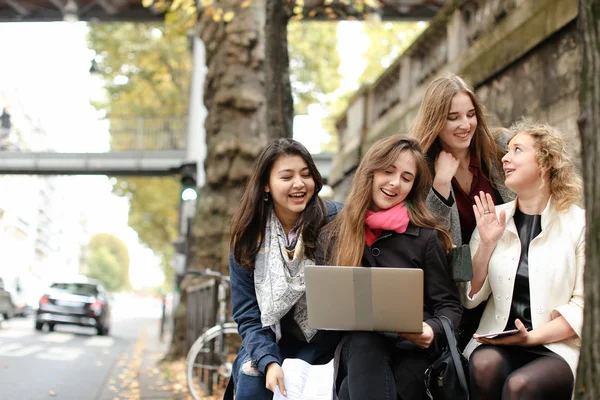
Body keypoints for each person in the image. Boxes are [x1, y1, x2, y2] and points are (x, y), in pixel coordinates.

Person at [316, 135, 463, 400]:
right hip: (358, 351)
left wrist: (432, 330)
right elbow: (325, 309)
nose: (395, 184)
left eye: (406, 178)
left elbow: (450, 306)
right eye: (388, 171)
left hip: (413, 354)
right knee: (363, 342)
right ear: (370, 172)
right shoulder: (333, 235)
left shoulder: (426, 237)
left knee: (354, 390)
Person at [461, 120, 584, 399]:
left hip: (556, 346)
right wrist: (487, 243)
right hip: (497, 339)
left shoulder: (580, 224)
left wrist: (530, 337)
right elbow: (470, 297)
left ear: (547, 161)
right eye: (507, 150)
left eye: (517, 150)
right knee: (483, 364)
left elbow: (583, 305)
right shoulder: (492, 218)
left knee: (521, 386)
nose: (505, 157)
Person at [227, 138, 342, 400]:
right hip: (271, 339)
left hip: (328, 340)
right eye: (287, 176)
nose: (299, 184)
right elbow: (247, 315)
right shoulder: (247, 238)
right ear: (266, 184)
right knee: (252, 381)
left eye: (306, 174)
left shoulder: (336, 222)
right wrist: (268, 361)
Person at [411, 73, 514, 348]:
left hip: (509, 277)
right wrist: (441, 184)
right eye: (453, 117)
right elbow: (435, 239)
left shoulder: (499, 149)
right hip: (459, 287)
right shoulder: (421, 168)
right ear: (436, 120)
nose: (465, 124)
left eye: (470, 114)